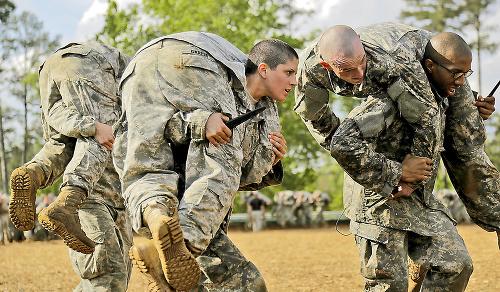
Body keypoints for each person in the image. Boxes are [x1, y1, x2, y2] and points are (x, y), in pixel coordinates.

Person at [113, 33, 297, 291]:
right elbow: (221, 164)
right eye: (289, 72)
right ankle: (181, 246)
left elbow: (239, 177)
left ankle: (158, 223)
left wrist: (271, 160)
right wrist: (203, 121)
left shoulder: (265, 113)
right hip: (191, 55)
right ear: (263, 70)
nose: (295, 82)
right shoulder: (222, 81)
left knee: (249, 285)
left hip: (136, 67)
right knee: (221, 155)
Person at [294, 22, 500, 247]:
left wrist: (413, 179)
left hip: (440, 65)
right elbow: (317, 119)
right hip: (403, 84)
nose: (359, 74)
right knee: (381, 140)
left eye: (362, 63)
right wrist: (362, 161)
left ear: (363, 46)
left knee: (465, 148)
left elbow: (427, 116)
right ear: (326, 64)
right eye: (347, 70)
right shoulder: (309, 70)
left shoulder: (394, 59)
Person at [330, 32, 476, 291]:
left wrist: (474, 107)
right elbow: (342, 143)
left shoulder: (443, 96)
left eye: (466, 73)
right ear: (429, 67)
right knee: (390, 286)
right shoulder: (389, 99)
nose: (461, 81)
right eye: (456, 73)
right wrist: (396, 173)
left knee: (456, 265)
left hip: (419, 200)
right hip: (380, 204)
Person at [12, 42, 133, 291]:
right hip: (89, 62)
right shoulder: (145, 76)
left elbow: (65, 132)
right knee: (101, 130)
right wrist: (94, 127)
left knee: (63, 141)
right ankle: (68, 200)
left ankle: (33, 173)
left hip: (52, 65)